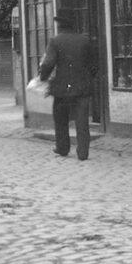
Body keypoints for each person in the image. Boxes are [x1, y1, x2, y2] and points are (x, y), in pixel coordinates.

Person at [39, 9, 97, 160]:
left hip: (62, 88)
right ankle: (83, 152)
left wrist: (43, 77)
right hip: (82, 87)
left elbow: (48, 63)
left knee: (60, 119)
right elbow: (94, 65)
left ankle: (63, 148)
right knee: (82, 121)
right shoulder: (84, 41)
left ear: (59, 24)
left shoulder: (55, 41)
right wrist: (88, 78)